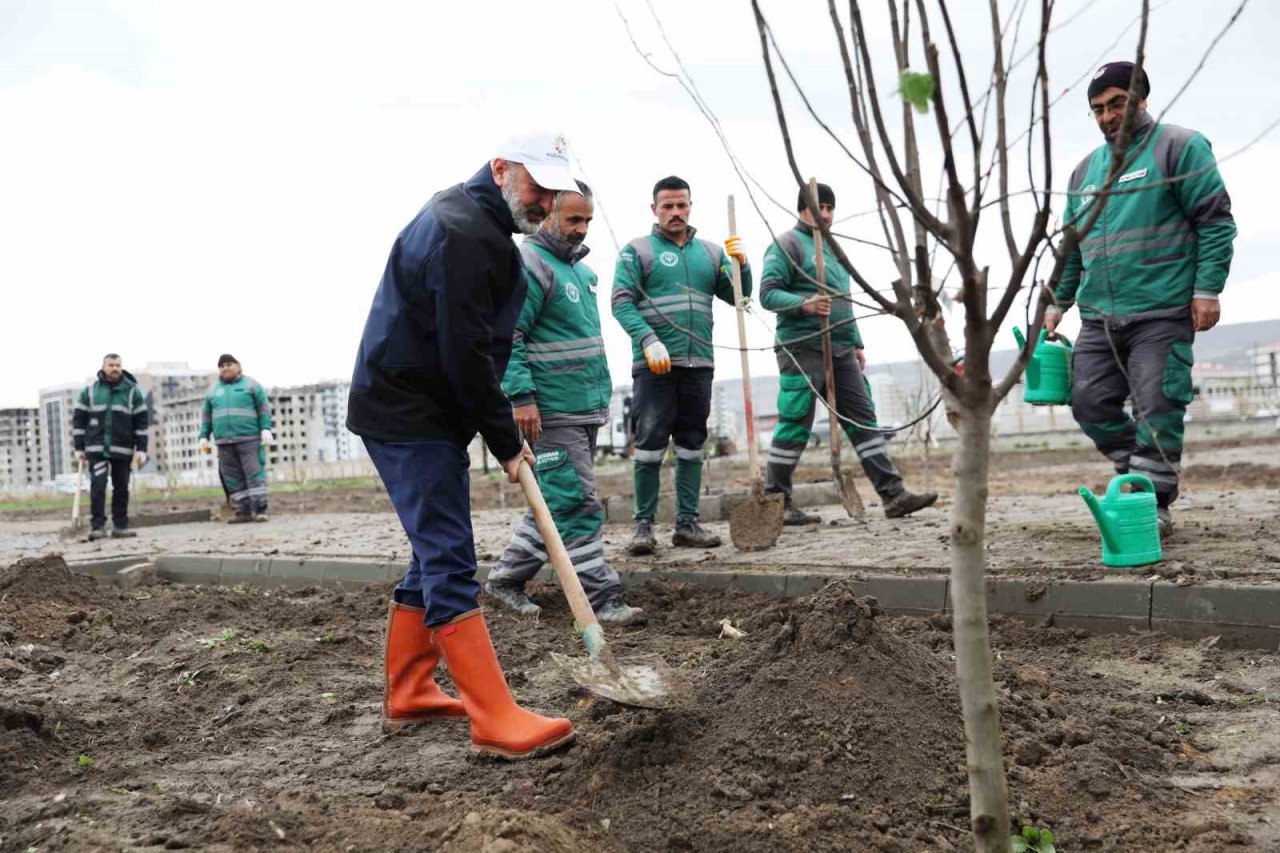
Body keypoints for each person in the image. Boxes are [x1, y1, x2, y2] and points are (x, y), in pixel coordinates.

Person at [347, 132, 579, 759]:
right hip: (407, 411)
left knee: (432, 554)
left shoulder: (470, 218)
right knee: (450, 558)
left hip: (419, 407)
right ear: (502, 168)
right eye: (538, 187)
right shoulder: (464, 234)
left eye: (556, 190)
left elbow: (467, 349)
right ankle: (494, 718)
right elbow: (465, 353)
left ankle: (411, 689)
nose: (546, 201)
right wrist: (505, 440)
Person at [1047, 62, 1236, 535]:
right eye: (1098, 109)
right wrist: (1055, 303)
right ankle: (1139, 472)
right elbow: (1072, 246)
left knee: (1158, 405)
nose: (1108, 116)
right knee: (1088, 403)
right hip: (1099, 318)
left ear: (1141, 99)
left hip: (1162, 310)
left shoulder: (1179, 147)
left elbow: (1215, 222)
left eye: (1116, 103)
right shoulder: (1083, 172)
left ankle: (1152, 503)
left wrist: (1207, 289)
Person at [484, 182, 646, 626]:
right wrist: (522, 397)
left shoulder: (579, 271)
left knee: (557, 500)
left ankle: (503, 581)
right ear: (548, 213)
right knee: (576, 503)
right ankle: (602, 598)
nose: (582, 229)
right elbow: (509, 336)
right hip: (549, 413)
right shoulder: (532, 265)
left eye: (587, 220)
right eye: (573, 219)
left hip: (581, 407)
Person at [759, 184, 937, 524]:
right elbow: (768, 294)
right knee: (796, 422)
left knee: (863, 421)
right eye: (819, 207)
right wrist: (804, 304)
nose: (826, 214)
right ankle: (776, 503)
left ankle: (893, 495)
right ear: (803, 209)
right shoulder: (787, 245)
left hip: (840, 349)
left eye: (830, 207)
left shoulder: (833, 249)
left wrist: (856, 343)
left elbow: (845, 299)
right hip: (802, 346)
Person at [612, 175, 750, 555]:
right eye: (668, 206)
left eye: (682, 205)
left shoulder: (709, 253)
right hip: (654, 366)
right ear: (654, 209)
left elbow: (740, 299)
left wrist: (742, 265)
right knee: (650, 445)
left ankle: (687, 525)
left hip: (699, 363)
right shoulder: (636, 252)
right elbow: (620, 302)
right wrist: (648, 339)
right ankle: (643, 528)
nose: (675, 212)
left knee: (692, 445)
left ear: (690, 206)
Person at [72, 353, 149, 540]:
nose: (115, 368)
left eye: (118, 365)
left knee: (121, 488)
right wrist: (79, 448)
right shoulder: (89, 392)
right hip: (96, 449)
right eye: (111, 365)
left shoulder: (133, 392)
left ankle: (120, 526)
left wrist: (142, 449)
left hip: (122, 449)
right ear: (103, 367)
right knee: (98, 486)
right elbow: (78, 421)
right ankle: (97, 527)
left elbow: (141, 422)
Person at [199, 355, 274, 523]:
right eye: (221, 366)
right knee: (232, 478)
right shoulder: (212, 391)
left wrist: (266, 428)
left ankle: (260, 509)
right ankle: (242, 510)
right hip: (224, 442)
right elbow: (206, 417)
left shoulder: (251, 385)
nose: (225, 368)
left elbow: (263, 408)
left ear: (238, 366)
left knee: (254, 474)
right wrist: (203, 436)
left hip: (249, 439)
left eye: (229, 364)